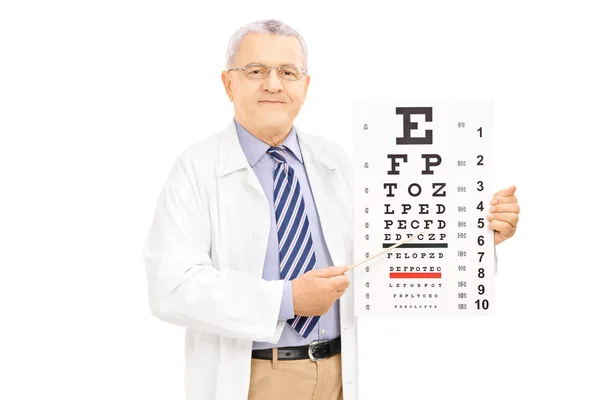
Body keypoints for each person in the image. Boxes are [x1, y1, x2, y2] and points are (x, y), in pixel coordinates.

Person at [142, 19, 521, 400]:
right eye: (256, 71)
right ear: (228, 83)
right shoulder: (195, 168)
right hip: (254, 379)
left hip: (341, 375)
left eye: (288, 72)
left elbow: (388, 259)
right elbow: (171, 287)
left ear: (305, 87)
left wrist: (475, 236)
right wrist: (287, 299)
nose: (273, 83)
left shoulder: (335, 161)